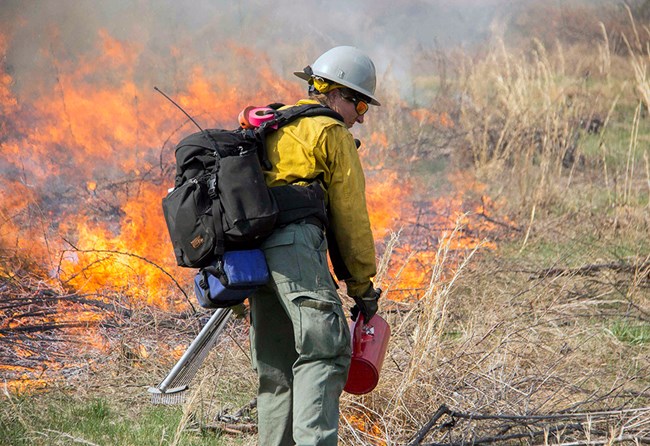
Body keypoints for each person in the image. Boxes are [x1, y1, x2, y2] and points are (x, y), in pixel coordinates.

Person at [248, 46, 382, 445]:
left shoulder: (276, 124)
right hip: (295, 248)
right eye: (360, 105)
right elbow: (351, 217)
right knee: (325, 351)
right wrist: (362, 287)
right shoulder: (330, 133)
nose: (360, 118)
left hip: (255, 256)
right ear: (336, 94)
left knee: (278, 370)